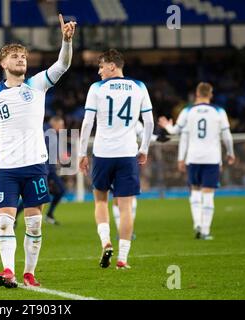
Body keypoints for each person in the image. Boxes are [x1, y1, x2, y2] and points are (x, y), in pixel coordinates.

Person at [0, 14, 76, 288]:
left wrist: (66, 41)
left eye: (23, 55)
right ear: (3, 63)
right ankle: (9, 271)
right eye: (14, 56)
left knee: (34, 225)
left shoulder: (37, 85)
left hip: (36, 165)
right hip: (7, 168)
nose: (20, 59)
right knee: (4, 222)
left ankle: (29, 273)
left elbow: (62, 64)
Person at [79, 49, 154, 270]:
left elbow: (86, 123)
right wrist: (144, 148)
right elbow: (148, 122)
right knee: (126, 208)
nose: (99, 70)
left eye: (101, 66)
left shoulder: (96, 88)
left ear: (113, 66)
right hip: (128, 153)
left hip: (103, 153)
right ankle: (122, 259)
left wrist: (82, 153)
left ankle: (105, 242)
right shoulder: (139, 86)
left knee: (100, 201)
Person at [158, 82, 235, 239]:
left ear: (197, 94)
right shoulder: (219, 111)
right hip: (212, 158)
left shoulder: (187, 111)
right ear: (210, 94)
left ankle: (197, 224)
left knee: (195, 190)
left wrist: (167, 126)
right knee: (208, 194)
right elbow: (227, 136)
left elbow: (175, 132)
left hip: (193, 157)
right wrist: (230, 152)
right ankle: (205, 230)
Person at [111, 121, 170, 239]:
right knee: (126, 196)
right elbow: (144, 135)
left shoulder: (110, 114)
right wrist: (157, 138)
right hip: (126, 159)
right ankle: (124, 231)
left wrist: (157, 138)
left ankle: (125, 230)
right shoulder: (131, 117)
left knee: (122, 196)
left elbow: (143, 134)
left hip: (113, 159)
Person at [15, 115, 67, 227]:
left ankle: (49, 215)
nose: (63, 127)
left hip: (49, 170)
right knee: (34, 195)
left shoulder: (52, 133)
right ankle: (14, 216)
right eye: (61, 125)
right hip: (42, 169)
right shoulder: (45, 131)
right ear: (55, 123)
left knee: (61, 190)